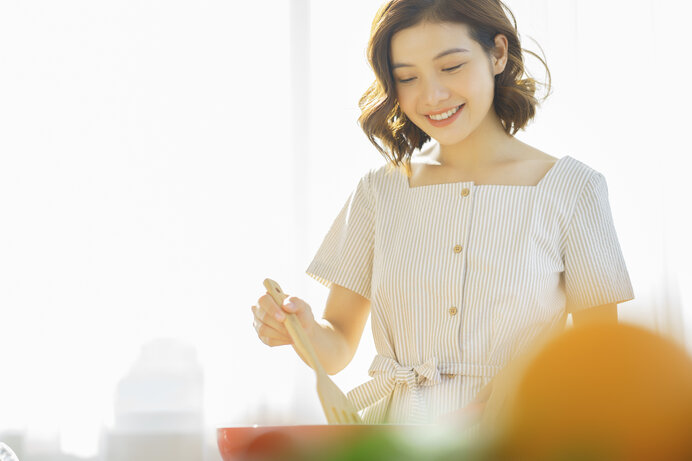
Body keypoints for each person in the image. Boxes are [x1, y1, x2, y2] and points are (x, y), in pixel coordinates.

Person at [251, 0, 634, 427]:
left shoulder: (573, 189)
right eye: (407, 77)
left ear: (498, 54)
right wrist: (299, 330)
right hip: (395, 440)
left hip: (519, 435)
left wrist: (515, 390)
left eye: (451, 67)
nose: (432, 95)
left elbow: (601, 353)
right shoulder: (380, 191)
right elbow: (338, 346)